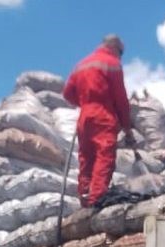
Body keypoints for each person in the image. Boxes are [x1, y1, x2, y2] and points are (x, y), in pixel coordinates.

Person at [64, 34, 136, 207]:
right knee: (104, 158)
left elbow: (67, 93)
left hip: (84, 117)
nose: (121, 57)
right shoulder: (112, 63)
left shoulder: (80, 64)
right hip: (103, 116)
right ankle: (96, 202)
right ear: (115, 48)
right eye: (121, 53)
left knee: (86, 160)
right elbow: (121, 99)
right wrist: (126, 127)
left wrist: (84, 102)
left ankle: (85, 199)